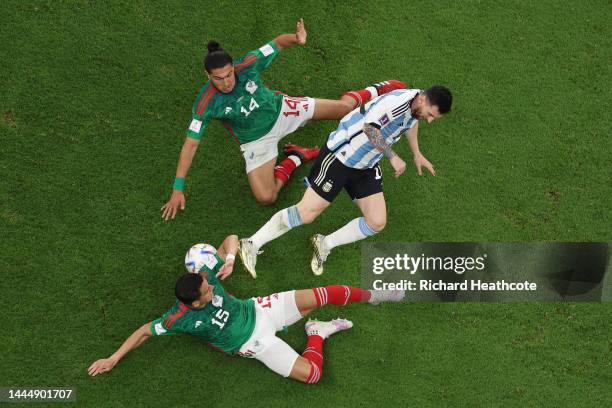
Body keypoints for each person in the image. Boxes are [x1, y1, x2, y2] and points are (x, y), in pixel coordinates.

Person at [161, 19, 405, 220]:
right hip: (256, 141)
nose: (226, 82)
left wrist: (296, 39)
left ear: (232, 67)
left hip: (283, 110)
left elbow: (277, 43)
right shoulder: (205, 104)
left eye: (228, 74)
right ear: (207, 75)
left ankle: (378, 90)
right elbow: (190, 145)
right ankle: (295, 159)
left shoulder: (247, 65)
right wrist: (177, 189)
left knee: (343, 109)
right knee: (266, 197)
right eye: (219, 78)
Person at [87, 235, 404, 383]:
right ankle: (317, 332)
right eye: (208, 290)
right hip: (255, 344)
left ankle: (375, 295)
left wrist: (227, 259)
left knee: (326, 293)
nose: (212, 286)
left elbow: (230, 239)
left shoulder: (206, 275)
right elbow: (144, 331)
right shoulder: (178, 319)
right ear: (195, 302)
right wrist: (113, 358)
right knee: (313, 376)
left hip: (261, 310)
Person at [239, 86, 453, 277]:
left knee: (376, 221)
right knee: (306, 214)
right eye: (431, 114)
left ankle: (324, 243)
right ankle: (252, 242)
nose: (430, 120)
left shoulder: (416, 106)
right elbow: (370, 128)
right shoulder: (395, 103)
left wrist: (416, 153)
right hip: (341, 156)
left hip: (366, 164)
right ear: (423, 99)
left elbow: (411, 122)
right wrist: (393, 156)